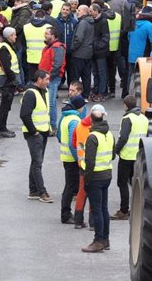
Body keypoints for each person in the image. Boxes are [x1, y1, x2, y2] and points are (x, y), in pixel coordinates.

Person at [81, 107, 115, 252]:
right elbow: (113, 155)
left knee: (97, 210)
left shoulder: (93, 137)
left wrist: (86, 180)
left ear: (91, 120)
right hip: (107, 174)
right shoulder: (109, 134)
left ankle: (98, 240)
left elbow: (89, 161)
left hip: (95, 177)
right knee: (104, 208)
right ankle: (105, 240)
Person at [112, 95, 149, 220]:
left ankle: (124, 210)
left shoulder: (127, 118)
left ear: (125, 105)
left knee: (122, 183)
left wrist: (115, 151)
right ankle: (138, 208)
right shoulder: (144, 118)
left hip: (127, 156)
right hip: (139, 156)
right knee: (136, 184)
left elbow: (123, 138)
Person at [20, 69, 52, 203]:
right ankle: (41, 192)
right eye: (46, 79)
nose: (48, 82)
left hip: (43, 131)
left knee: (36, 161)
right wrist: (34, 131)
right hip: (35, 134)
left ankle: (33, 190)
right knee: (38, 163)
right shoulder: (30, 94)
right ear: (39, 79)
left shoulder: (45, 91)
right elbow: (24, 115)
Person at [58, 95, 86, 224]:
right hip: (72, 159)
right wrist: (79, 160)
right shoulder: (75, 120)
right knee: (71, 187)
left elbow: (59, 135)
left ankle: (66, 212)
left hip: (65, 157)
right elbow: (72, 143)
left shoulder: (65, 117)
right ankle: (65, 214)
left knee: (69, 185)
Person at [38, 26, 65, 132]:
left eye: (47, 33)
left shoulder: (57, 47)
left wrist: (47, 77)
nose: (45, 35)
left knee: (51, 103)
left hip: (51, 78)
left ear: (53, 36)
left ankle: (53, 126)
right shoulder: (51, 47)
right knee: (48, 102)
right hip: (48, 78)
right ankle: (50, 125)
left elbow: (57, 65)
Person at [0, 27, 18, 138]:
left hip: (8, 80)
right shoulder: (4, 48)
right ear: (9, 36)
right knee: (5, 106)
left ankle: (3, 127)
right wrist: (14, 80)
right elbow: (6, 67)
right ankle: (1, 129)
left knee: (6, 106)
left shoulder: (7, 46)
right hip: (6, 81)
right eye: (14, 35)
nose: (16, 37)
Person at [70, 5, 94, 100]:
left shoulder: (83, 23)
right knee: (86, 75)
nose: (77, 12)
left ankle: (74, 96)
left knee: (76, 76)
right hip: (88, 53)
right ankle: (85, 95)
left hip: (79, 53)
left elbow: (79, 38)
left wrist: (73, 48)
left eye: (79, 10)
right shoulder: (91, 22)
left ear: (84, 12)